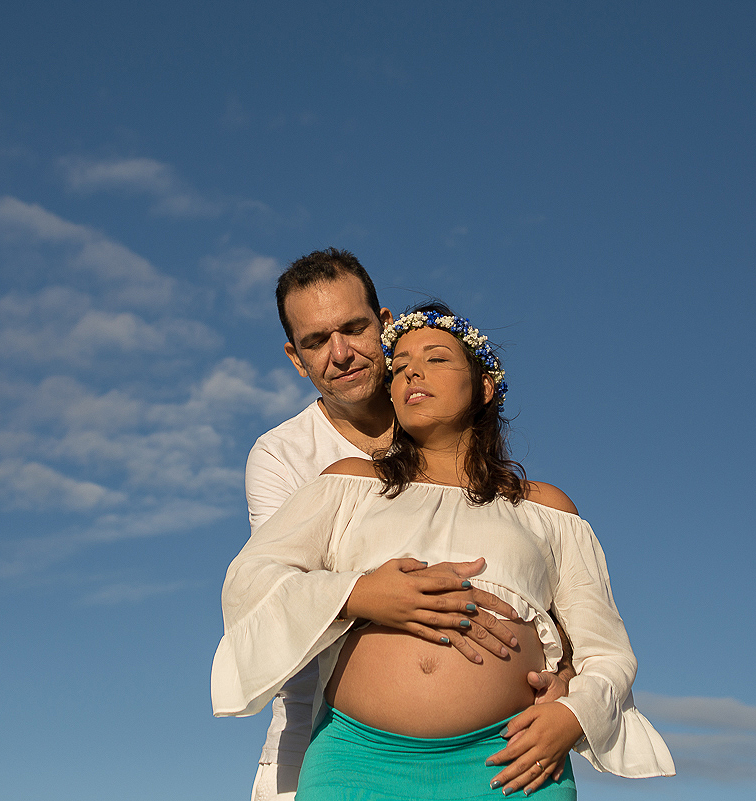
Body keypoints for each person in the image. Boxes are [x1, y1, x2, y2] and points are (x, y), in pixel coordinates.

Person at [214, 304, 675, 799]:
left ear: (484, 387)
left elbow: (606, 650)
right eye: (399, 366)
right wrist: (360, 594)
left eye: (436, 359)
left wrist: (573, 713)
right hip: (357, 762)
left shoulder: (547, 509)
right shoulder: (348, 484)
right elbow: (249, 582)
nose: (412, 372)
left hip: (514, 762)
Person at [243, 250, 572, 801]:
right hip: (331, 740)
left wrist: (569, 681)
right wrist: (367, 593)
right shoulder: (282, 456)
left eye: (354, 329)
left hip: (503, 753)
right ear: (296, 358)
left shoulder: (440, 409)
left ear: (384, 323)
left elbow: (539, 579)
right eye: (317, 341)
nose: (341, 354)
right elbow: (267, 589)